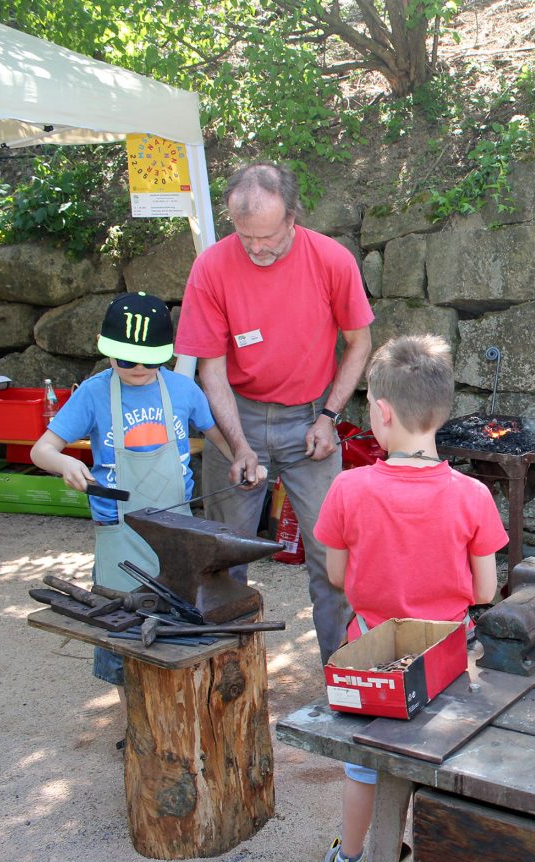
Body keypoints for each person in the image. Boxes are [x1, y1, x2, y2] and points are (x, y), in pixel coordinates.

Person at [314, 334, 506, 862]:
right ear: (441, 412)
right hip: (444, 656)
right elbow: (485, 591)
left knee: (364, 762)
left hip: (369, 647)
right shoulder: (472, 495)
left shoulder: (348, 490)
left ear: (381, 411)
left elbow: (334, 575)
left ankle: (351, 860)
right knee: (437, 757)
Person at [175, 162, 374, 664]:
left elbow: (359, 343)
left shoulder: (330, 259)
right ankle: (227, 676)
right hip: (238, 418)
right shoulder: (213, 267)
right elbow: (211, 371)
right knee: (224, 556)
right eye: (246, 238)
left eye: (269, 238)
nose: (258, 249)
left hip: (311, 417)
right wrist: (236, 446)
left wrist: (330, 415)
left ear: (292, 219)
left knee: (333, 555)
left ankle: (344, 670)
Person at [30, 292, 257, 726]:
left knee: (176, 619)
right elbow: (44, 449)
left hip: (177, 525)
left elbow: (216, 435)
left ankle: (175, 715)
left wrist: (242, 457)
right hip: (119, 529)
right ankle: (136, 721)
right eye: (126, 360)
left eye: (148, 362)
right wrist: (65, 464)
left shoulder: (182, 389)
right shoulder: (95, 394)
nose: (137, 370)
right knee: (121, 624)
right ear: (105, 348)